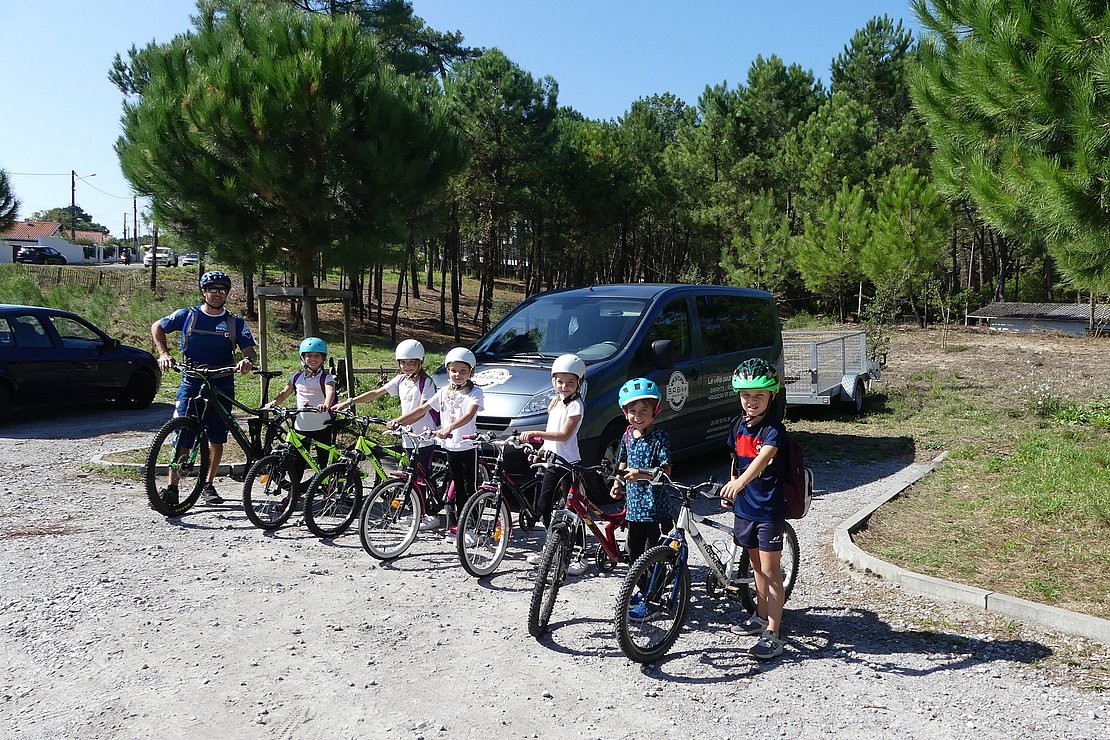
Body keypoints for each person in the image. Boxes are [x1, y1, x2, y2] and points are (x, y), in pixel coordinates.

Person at [151, 270, 256, 505]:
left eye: (222, 290)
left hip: (222, 380)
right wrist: (164, 353)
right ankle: (172, 488)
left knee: (217, 437)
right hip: (192, 378)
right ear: (203, 292)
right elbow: (157, 326)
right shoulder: (187, 316)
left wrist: (247, 361)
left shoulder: (234, 322)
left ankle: (208, 484)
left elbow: (249, 350)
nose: (217, 294)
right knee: (183, 434)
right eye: (212, 289)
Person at [720, 357, 788, 661]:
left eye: (758, 395)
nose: (751, 401)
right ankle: (760, 616)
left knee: (772, 571)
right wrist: (731, 484)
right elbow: (737, 460)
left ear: (771, 396)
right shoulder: (738, 425)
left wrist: (740, 483)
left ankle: (773, 633)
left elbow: (760, 463)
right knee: (757, 567)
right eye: (746, 395)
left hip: (768, 509)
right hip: (745, 507)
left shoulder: (774, 430)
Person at [334, 339, 440, 531]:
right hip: (407, 434)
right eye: (403, 363)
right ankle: (419, 511)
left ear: (420, 362)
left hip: (424, 435)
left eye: (411, 363)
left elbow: (422, 410)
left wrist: (398, 420)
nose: (406, 367)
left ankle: (427, 515)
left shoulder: (427, 383)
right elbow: (376, 393)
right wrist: (349, 401)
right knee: (412, 474)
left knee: (420, 476)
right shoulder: (401, 380)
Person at [389, 347, 483, 542]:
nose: (457, 375)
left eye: (463, 371)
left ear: (471, 372)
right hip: (449, 447)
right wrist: (399, 421)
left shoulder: (475, 392)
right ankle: (456, 526)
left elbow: (469, 415)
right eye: (453, 370)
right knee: (453, 487)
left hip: (467, 446)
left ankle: (472, 528)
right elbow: (422, 409)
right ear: (448, 371)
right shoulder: (443, 392)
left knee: (468, 488)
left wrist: (450, 427)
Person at [609, 377, 673, 614]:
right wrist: (618, 482)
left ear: (654, 410)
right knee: (633, 551)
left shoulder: (659, 437)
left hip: (656, 508)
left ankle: (654, 599)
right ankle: (646, 590)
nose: (637, 416)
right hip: (635, 507)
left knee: (655, 553)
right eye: (632, 411)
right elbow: (622, 462)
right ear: (625, 413)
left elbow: (666, 470)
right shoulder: (627, 435)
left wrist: (643, 474)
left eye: (643, 410)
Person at [525, 354, 587, 575]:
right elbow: (552, 436)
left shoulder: (576, 406)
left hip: (568, 463)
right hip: (553, 461)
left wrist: (535, 433)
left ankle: (578, 554)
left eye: (570, 382)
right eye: (560, 381)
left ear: (579, 383)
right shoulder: (555, 402)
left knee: (573, 509)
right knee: (544, 506)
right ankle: (551, 548)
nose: (564, 386)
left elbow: (563, 435)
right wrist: (541, 451)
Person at [264, 337, 337, 492]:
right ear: (303, 357)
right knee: (298, 463)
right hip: (301, 426)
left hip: (321, 425)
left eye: (317, 356)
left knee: (324, 461)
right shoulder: (296, 377)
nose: (312, 359)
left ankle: (327, 489)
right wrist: (274, 403)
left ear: (323, 358)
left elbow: (330, 391)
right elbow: (284, 393)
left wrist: (326, 404)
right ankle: (293, 495)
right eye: (309, 356)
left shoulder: (326, 377)